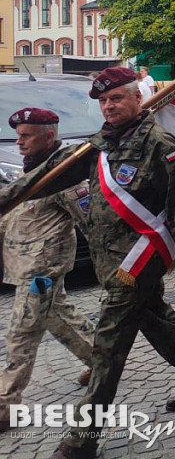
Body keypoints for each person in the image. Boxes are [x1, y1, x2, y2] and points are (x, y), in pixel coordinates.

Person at [0, 68, 175, 459]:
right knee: (156, 319)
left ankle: (81, 440)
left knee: (107, 349)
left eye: (117, 98)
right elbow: (44, 178)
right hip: (108, 261)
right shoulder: (98, 144)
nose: (109, 105)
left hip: (137, 262)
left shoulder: (158, 142)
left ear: (138, 97)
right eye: (103, 101)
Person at [0, 109, 94, 433]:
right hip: (24, 264)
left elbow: (90, 221)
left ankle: (6, 404)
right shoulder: (33, 172)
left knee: (21, 332)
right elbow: (16, 214)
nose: (19, 141)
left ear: (49, 137)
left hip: (42, 269)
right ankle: (101, 361)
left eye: (26, 135)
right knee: (59, 317)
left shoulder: (64, 175)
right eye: (19, 134)